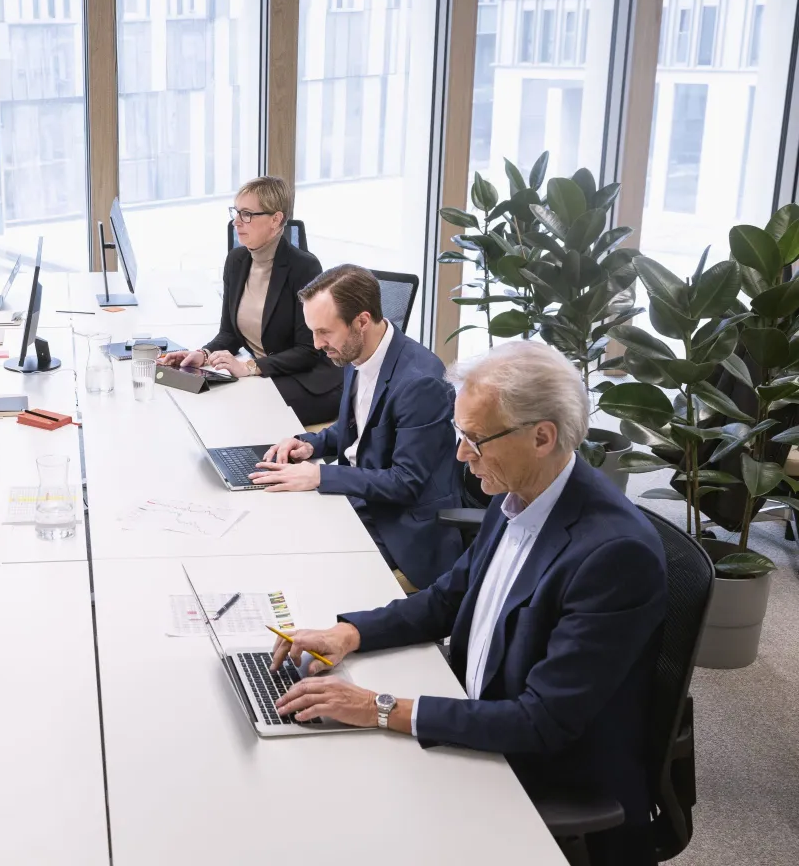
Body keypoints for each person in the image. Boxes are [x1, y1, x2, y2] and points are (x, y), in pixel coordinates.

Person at [269, 341, 666, 866]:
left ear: (542, 437)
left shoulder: (615, 555)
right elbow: (449, 598)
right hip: (475, 709)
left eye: (475, 440)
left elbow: (540, 723)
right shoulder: (517, 492)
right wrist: (350, 634)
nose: (460, 455)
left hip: (537, 766)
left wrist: (379, 708)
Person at [252, 264, 464, 589]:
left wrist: (320, 475)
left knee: (306, 570)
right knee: (274, 527)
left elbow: (406, 483)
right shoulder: (357, 352)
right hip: (361, 499)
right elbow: (362, 430)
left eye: (324, 331)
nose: (317, 343)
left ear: (361, 321)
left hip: (400, 526)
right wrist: (312, 445)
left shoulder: (420, 383)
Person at [157, 176, 342, 425]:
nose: (236, 222)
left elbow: (308, 351)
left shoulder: (304, 267)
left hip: (308, 380)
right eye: (236, 212)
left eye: (247, 214)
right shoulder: (236, 261)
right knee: (189, 388)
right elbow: (229, 334)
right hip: (265, 375)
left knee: (232, 406)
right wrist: (203, 353)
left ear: (276, 220)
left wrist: (251, 367)